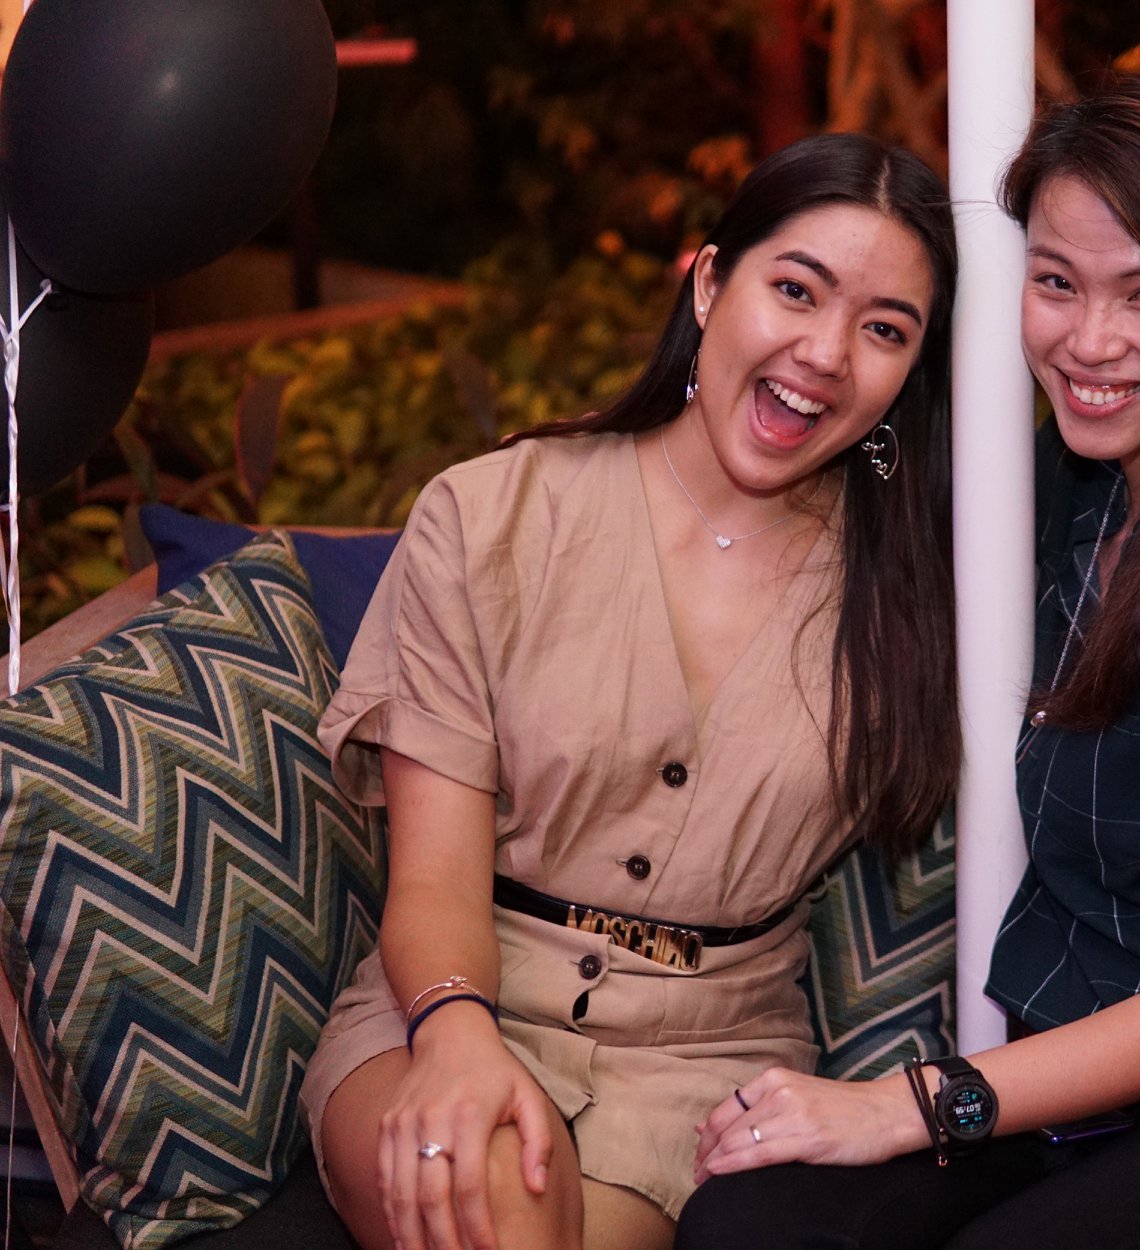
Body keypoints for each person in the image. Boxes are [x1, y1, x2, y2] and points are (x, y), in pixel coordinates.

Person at [675, 72, 1140, 1250]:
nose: (1090, 341)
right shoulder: (1075, 487)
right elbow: (865, 444)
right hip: (1080, 1074)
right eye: (1057, 280)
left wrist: (901, 1103)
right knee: (749, 1223)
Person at [302, 132, 964, 1250]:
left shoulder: (920, 587)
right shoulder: (492, 515)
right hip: (452, 1002)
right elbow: (432, 877)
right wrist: (456, 1037)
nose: (825, 352)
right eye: (795, 290)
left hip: (707, 1066)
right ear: (708, 286)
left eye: (885, 329)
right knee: (487, 1192)